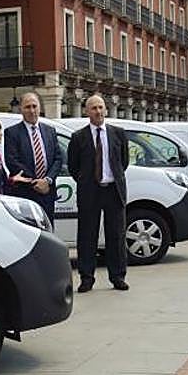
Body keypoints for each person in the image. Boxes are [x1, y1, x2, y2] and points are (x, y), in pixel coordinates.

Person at [67, 93, 130, 292]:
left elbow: (123, 162)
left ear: (106, 109)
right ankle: (87, 278)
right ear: (87, 112)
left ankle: (118, 276)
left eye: (101, 107)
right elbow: (73, 166)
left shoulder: (118, 133)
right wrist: (88, 181)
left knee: (116, 235)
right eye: (94, 108)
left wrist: (111, 178)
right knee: (87, 236)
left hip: (113, 190)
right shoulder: (78, 137)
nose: (98, 111)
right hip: (90, 192)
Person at [3, 92, 62, 226]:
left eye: (34, 106)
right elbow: (12, 161)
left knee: (48, 231)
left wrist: (47, 180)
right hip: (25, 193)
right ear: (21, 109)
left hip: (47, 192)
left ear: (40, 107)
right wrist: (36, 182)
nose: (32, 110)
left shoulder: (49, 131)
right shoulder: (12, 133)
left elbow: (58, 158)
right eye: (27, 107)